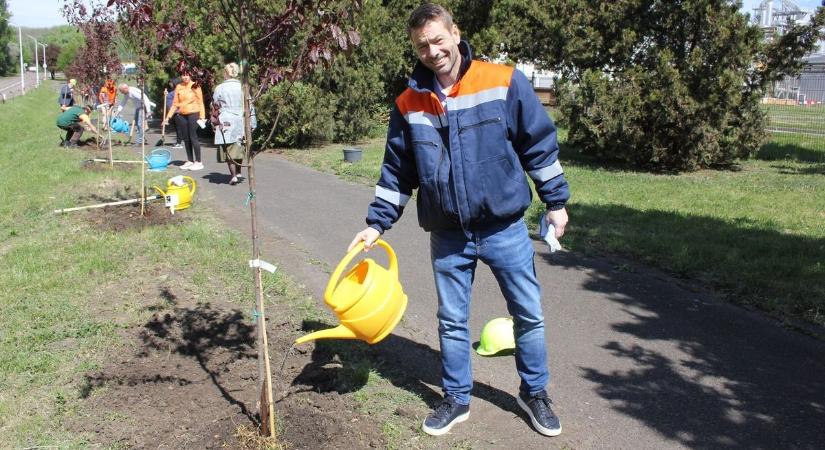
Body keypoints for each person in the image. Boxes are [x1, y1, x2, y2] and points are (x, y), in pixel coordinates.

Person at [347, 3, 570, 438]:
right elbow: (397, 170)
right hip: (448, 234)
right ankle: (456, 397)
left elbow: (538, 145)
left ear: (455, 33)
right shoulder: (409, 102)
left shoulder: (502, 80)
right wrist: (376, 223)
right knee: (451, 319)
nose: (432, 51)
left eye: (437, 39)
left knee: (528, 314)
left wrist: (555, 201)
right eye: (422, 45)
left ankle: (535, 392)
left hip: (503, 227)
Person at [212, 62, 256, 185]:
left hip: (226, 119)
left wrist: (214, 122)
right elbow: (249, 104)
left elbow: (216, 104)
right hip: (240, 119)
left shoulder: (220, 88)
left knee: (228, 149)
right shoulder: (243, 87)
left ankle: (233, 176)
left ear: (226, 73)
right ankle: (238, 171)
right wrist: (252, 122)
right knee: (239, 145)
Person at [163, 72, 206, 171]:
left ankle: (198, 162)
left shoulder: (195, 85)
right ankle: (190, 160)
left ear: (190, 76)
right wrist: (168, 117)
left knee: (193, 137)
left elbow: (200, 102)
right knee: (186, 138)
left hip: (193, 113)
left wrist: (202, 117)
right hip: (182, 114)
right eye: (183, 75)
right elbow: (175, 104)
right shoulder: (179, 86)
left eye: (187, 75)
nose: (185, 77)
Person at [166, 78, 183, 149]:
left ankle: (179, 143)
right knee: (177, 128)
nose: (170, 84)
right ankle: (178, 142)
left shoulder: (175, 92)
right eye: (170, 83)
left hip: (177, 113)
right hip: (174, 112)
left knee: (179, 128)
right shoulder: (173, 91)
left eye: (171, 83)